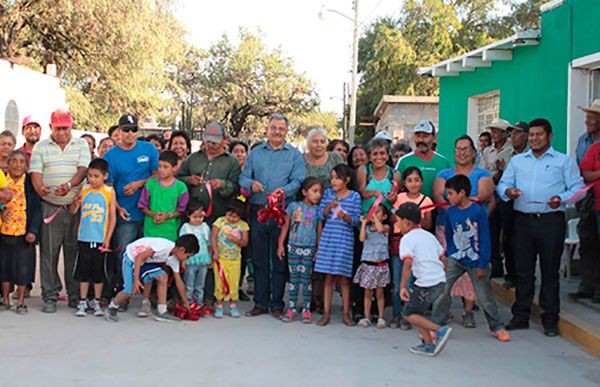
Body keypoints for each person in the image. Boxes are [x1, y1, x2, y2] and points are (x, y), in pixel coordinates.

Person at [498, 118, 585, 337]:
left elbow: (578, 188)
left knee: (549, 272)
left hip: (550, 221)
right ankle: (521, 316)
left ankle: (549, 319)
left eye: (539, 134)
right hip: (523, 221)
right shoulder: (518, 162)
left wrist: (562, 199)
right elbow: (503, 185)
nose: (535, 138)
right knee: (523, 271)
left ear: (549, 136)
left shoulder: (563, 161)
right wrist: (508, 192)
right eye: (532, 134)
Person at [240, 113, 305, 318]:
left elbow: (298, 181)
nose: (277, 132)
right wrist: (251, 184)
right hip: (259, 211)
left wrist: (280, 193)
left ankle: (277, 303)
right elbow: (243, 178)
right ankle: (260, 302)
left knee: (278, 258)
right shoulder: (255, 153)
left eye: (281, 128)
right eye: (273, 128)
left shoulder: (294, 155)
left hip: (282, 213)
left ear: (286, 131)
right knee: (258, 258)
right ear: (267, 129)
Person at [431, 175, 511, 342]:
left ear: (462, 193)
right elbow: (449, 234)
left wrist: (483, 263)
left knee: (485, 296)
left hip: (476, 261)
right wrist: (450, 254)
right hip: (456, 258)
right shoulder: (450, 211)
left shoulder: (477, 212)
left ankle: (498, 327)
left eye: (451, 193)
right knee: (442, 290)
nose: (448, 197)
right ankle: (435, 325)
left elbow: (484, 238)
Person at [30, 109, 91, 312]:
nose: (62, 132)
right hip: (50, 207)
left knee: (73, 251)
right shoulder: (41, 147)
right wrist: (41, 189)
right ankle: (50, 295)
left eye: (65, 128)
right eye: (58, 128)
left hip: (75, 206)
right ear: (51, 128)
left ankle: (74, 294)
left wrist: (69, 184)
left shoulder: (81, 145)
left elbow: (83, 170)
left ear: (71, 126)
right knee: (49, 253)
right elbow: (36, 175)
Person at [432, 135, 494, 326]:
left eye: (466, 149)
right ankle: (443, 312)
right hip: (446, 228)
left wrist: (464, 211)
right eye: (458, 149)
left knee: (471, 272)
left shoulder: (482, 174)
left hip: (471, 230)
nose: (461, 153)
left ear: (474, 152)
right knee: (445, 272)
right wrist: (454, 213)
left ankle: (468, 312)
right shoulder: (444, 173)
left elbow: (484, 195)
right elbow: (437, 195)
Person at [104, 114, 159, 307]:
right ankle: (125, 292)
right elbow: (108, 187)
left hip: (149, 213)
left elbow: (159, 175)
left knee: (151, 254)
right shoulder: (110, 156)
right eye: (126, 129)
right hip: (125, 214)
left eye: (133, 129)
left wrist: (138, 184)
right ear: (118, 131)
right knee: (125, 255)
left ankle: (148, 295)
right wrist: (116, 208)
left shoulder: (149, 149)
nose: (130, 133)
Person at [396, 202, 452, 357]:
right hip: (439, 281)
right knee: (417, 312)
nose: (397, 224)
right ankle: (428, 345)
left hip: (427, 283)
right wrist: (444, 275)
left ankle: (439, 330)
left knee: (408, 313)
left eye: (398, 220)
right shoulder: (429, 236)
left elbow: (407, 263)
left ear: (406, 222)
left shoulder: (407, 239)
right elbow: (443, 257)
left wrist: (402, 286)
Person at [106, 234, 199, 322]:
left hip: (145, 262)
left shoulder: (174, 259)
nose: (186, 259)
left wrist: (186, 303)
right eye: (187, 257)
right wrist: (136, 280)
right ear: (182, 250)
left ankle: (162, 311)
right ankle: (111, 308)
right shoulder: (163, 246)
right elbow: (139, 257)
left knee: (163, 277)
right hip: (131, 258)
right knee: (128, 291)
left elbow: (179, 282)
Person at [314, 164, 361, 327]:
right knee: (328, 278)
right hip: (328, 239)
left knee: (344, 279)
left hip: (344, 240)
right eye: (332, 177)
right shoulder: (328, 194)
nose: (333, 181)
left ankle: (346, 314)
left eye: (337, 178)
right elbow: (320, 214)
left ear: (347, 180)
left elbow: (356, 220)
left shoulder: (354, 196)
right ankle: (326, 314)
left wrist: (345, 217)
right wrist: (328, 207)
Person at [389, 167, 433, 329]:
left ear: (421, 182)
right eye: (409, 180)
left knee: (413, 282)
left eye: (416, 180)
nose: (413, 183)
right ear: (404, 183)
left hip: (417, 246)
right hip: (399, 242)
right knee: (397, 281)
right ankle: (396, 315)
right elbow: (393, 218)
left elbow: (428, 224)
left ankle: (408, 316)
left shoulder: (426, 200)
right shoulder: (399, 198)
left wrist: (415, 217)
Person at [72, 158, 117, 317]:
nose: (92, 179)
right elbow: (73, 211)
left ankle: (97, 301)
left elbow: (112, 217)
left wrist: (108, 237)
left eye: (96, 176)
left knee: (98, 273)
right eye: (90, 176)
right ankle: (82, 301)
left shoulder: (109, 192)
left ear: (105, 176)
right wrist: (75, 203)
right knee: (83, 272)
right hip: (84, 238)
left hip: (100, 239)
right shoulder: (84, 190)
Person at [277, 177, 323, 324]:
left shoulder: (318, 210)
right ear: (304, 192)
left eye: (319, 192)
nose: (318, 195)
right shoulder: (293, 206)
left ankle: (306, 309)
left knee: (306, 279)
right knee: (294, 279)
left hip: (309, 249)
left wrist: (318, 249)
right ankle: (291, 308)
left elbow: (319, 231)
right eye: (314, 191)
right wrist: (280, 245)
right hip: (293, 246)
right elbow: (285, 226)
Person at [0, 150, 40, 314]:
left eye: (21, 162)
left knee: (23, 268)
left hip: (24, 234)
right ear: (7, 164)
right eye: (13, 161)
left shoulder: (29, 184)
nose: (17, 165)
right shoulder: (3, 182)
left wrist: (33, 230)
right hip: (4, 232)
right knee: (4, 267)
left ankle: (21, 301)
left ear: (26, 166)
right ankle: (6, 299)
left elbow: (37, 209)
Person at [178, 122, 241, 225]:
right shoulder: (192, 158)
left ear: (224, 139)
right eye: (208, 141)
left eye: (215, 142)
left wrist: (223, 185)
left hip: (218, 219)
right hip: (192, 218)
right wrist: (189, 180)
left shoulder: (232, 162)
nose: (211, 144)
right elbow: (177, 179)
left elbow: (237, 188)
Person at [570, 99, 600, 302]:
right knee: (587, 242)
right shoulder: (583, 140)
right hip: (587, 198)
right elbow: (581, 169)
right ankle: (587, 286)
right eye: (587, 116)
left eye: (592, 116)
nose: (588, 120)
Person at [494, 121, 530, 288]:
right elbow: (501, 179)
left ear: (525, 135)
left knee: (526, 240)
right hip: (508, 201)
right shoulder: (506, 154)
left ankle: (526, 275)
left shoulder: (531, 153)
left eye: (516, 133)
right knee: (508, 237)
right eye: (511, 133)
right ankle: (511, 275)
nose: (512, 137)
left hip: (527, 201)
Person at [478, 119, 514, 278]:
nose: (493, 134)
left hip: (506, 196)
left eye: (497, 131)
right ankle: (496, 265)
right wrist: (496, 174)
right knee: (492, 230)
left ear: (505, 133)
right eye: (492, 130)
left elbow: (510, 174)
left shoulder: (512, 151)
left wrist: (497, 174)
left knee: (508, 233)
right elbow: (483, 173)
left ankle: (510, 268)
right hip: (491, 195)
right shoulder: (487, 152)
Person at [138, 150, 189, 242]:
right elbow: (142, 206)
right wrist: (153, 215)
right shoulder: (150, 184)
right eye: (159, 166)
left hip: (170, 232)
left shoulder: (181, 187)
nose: (161, 170)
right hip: (150, 231)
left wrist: (167, 215)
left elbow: (182, 210)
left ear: (174, 168)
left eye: (165, 167)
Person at [211, 199, 249, 318]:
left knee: (233, 282)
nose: (231, 219)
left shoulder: (243, 225)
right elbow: (213, 238)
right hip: (221, 259)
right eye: (229, 215)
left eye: (235, 217)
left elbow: (245, 242)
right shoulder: (219, 222)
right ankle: (219, 305)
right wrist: (215, 252)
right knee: (220, 283)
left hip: (235, 260)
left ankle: (233, 305)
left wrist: (236, 240)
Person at [354, 204, 390, 329]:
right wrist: (364, 223)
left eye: (378, 212)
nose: (374, 214)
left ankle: (380, 317)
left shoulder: (385, 227)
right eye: (373, 212)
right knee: (367, 293)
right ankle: (367, 316)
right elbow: (362, 238)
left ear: (384, 216)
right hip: (368, 265)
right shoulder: (368, 229)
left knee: (380, 293)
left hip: (380, 265)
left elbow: (380, 229)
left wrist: (373, 215)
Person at [396, 120, 450, 198]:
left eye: (425, 136)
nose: (421, 140)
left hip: (438, 208)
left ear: (434, 137)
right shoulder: (404, 161)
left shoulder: (444, 162)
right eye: (418, 136)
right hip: (412, 208)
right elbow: (396, 187)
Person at [180, 202, 212, 309]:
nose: (198, 219)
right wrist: (183, 261)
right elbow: (182, 247)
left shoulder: (205, 227)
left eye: (201, 217)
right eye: (195, 217)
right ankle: (188, 304)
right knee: (189, 285)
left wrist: (211, 258)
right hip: (191, 261)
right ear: (188, 216)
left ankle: (199, 304)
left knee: (200, 285)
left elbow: (209, 244)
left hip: (203, 260)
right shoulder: (185, 227)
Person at [357, 137, 399, 216]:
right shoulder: (363, 170)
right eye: (375, 154)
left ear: (387, 156)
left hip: (385, 220)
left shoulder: (394, 174)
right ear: (369, 157)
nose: (379, 157)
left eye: (382, 153)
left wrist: (392, 198)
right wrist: (373, 193)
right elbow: (361, 192)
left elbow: (395, 199)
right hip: (367, 219)